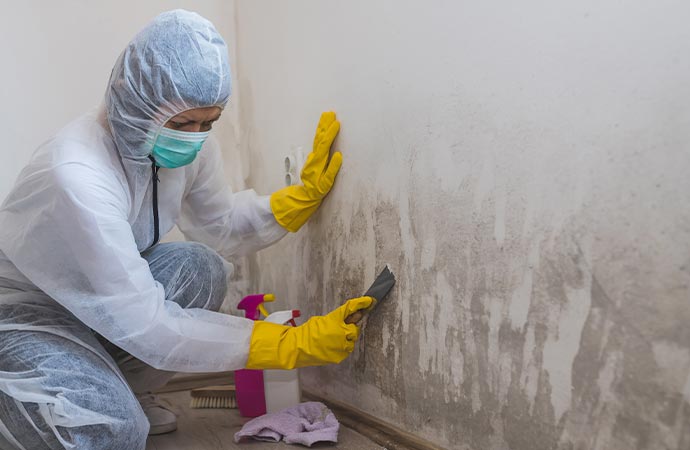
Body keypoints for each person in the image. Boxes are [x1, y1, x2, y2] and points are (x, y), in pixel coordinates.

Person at [0, 9, 372, 450]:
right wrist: (289, 343)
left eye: (207, 123)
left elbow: (221, 225)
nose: (194, 137)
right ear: (132, 100)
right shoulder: (76, 174)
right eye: (180, 125)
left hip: (98, 307)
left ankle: (122, 391)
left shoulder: (188, 146)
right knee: (111, 432)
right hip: (27, 315)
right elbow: (149, 326)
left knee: (201, 267)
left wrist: (294, 202)